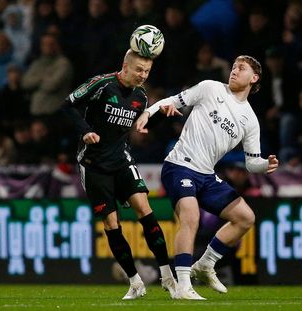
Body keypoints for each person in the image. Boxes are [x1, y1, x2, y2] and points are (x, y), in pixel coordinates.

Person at [136, 55, 279, 299]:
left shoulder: (250, 120)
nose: (234, 70)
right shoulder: (210, 87)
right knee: (190, 216)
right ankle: (182, 286)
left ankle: (205, 265)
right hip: (179, 165)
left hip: (206, 175)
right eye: (233, 66)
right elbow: (173, 100)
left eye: (241, 68)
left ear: (253, 78)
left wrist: (265, 165)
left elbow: (251, 163)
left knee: (245, 217)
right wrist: (148, 112)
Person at [65, 49, 176, 300]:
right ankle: (135, 282)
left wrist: (161, 117)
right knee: (111, 224)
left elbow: (140, 126)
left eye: (147, 72)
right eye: (138, 70)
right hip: (93, 164)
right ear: (124, 66)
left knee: (145, 210)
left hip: (122, 161)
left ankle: (167, 277)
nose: (142, 75)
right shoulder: (101, 84)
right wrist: (85, 131)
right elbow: (67, 106)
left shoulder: (141, 96)